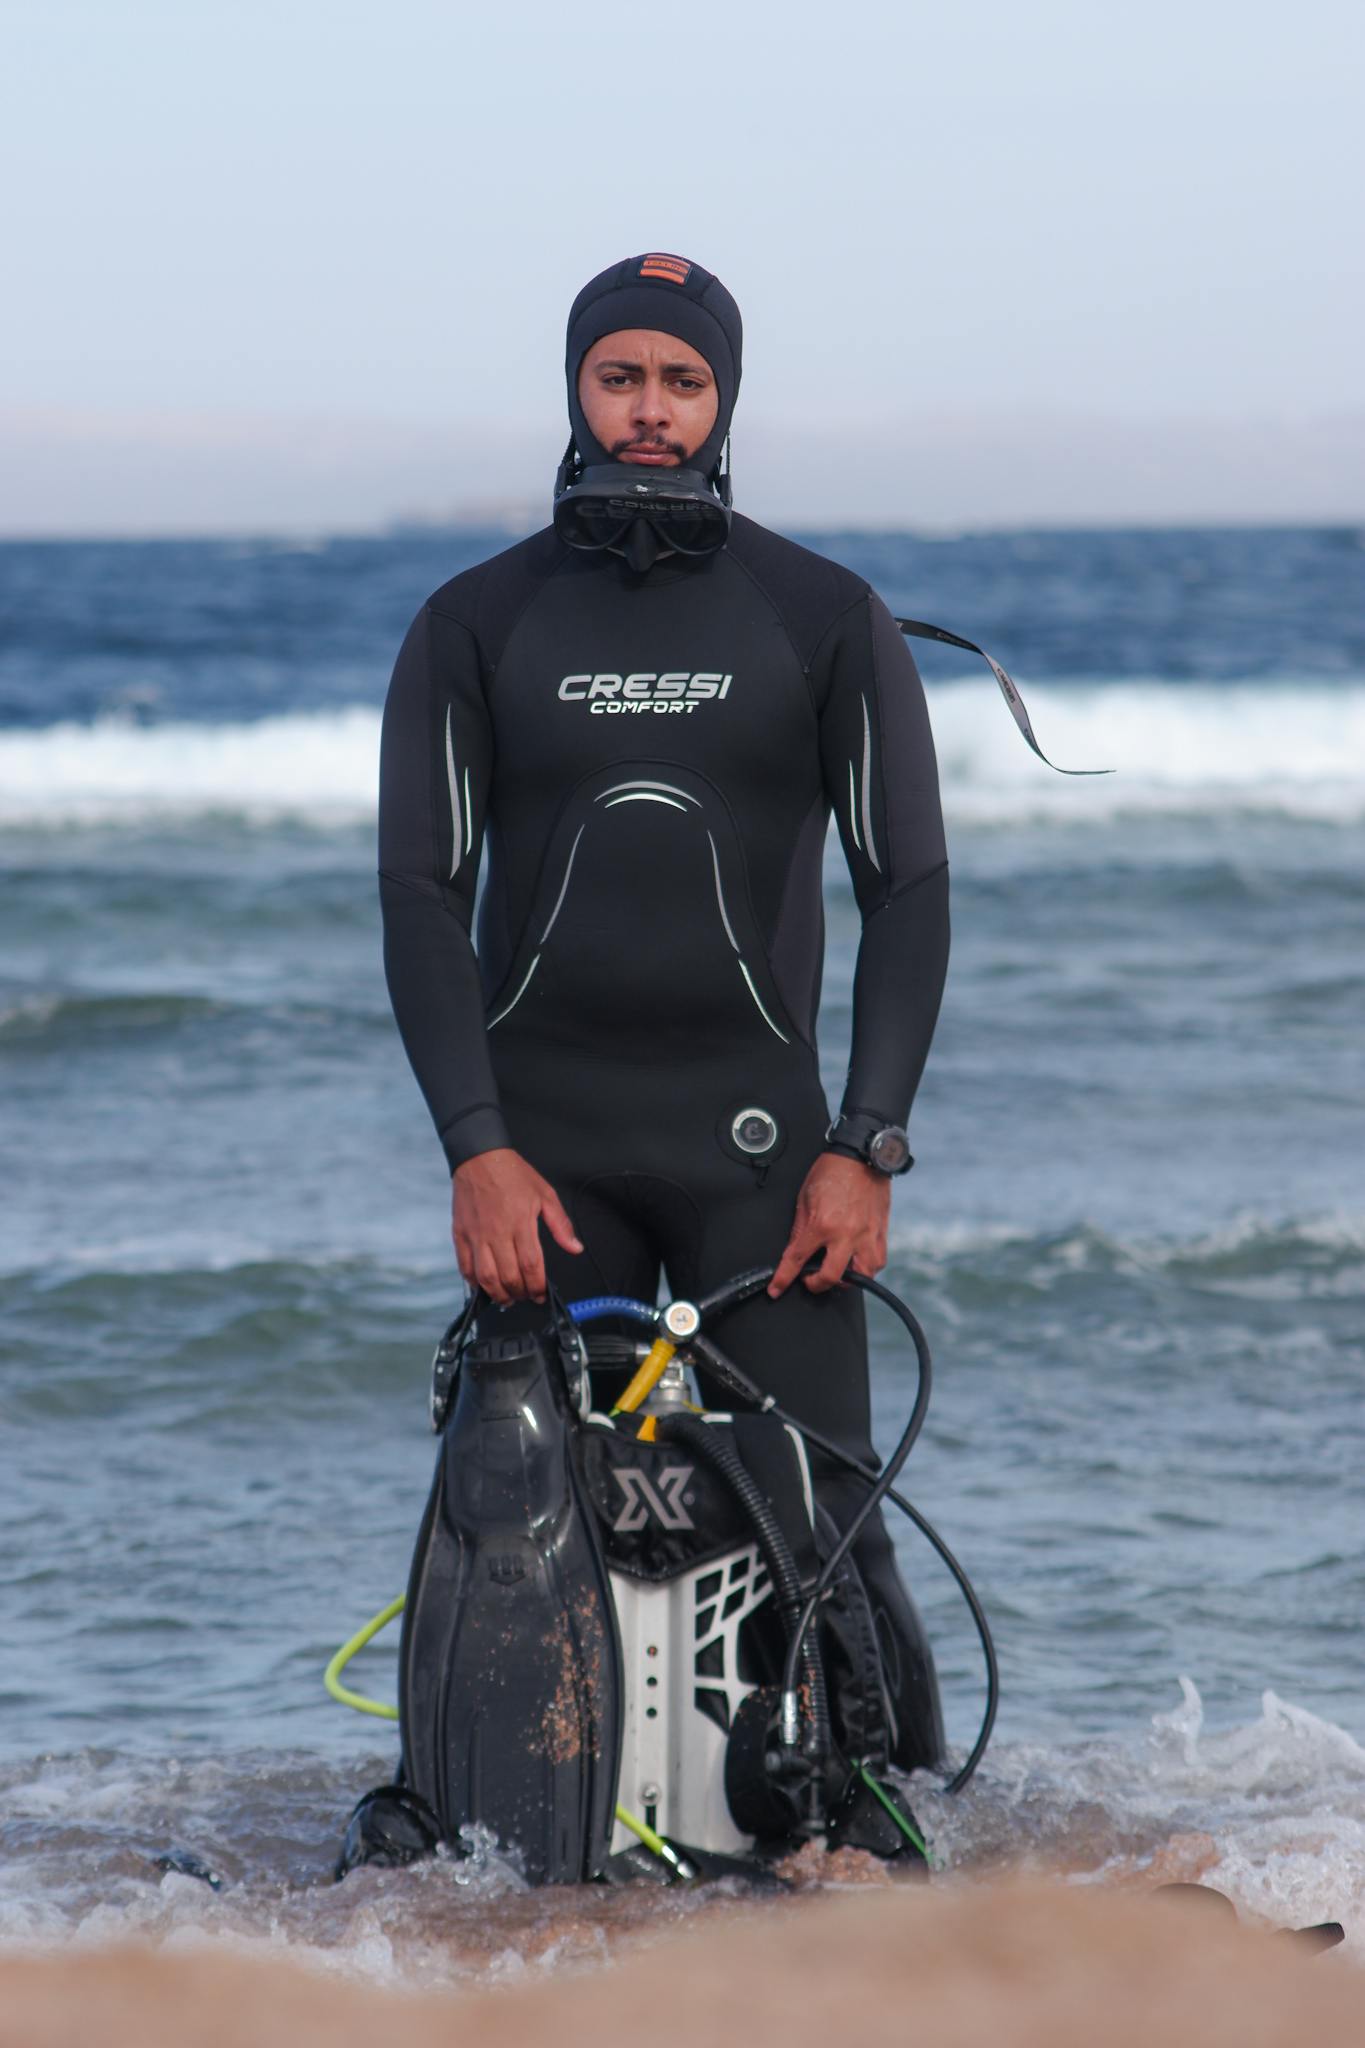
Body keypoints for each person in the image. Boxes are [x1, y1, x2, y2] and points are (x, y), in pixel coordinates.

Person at [377, 253, 950, 1770]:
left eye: (680, 382)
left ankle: (881, 1848)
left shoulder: (820, 614)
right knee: (531, 1535)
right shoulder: (474, 621)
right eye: (618, 376)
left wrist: (867, 1145)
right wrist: (475, 1149)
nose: (649, 411)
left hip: (762, 1152)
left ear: (723, 398)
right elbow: (422, 899)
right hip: (541, 1165)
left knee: (819, 1517)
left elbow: (909, 890)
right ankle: (538, 1862)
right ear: (575, 387)